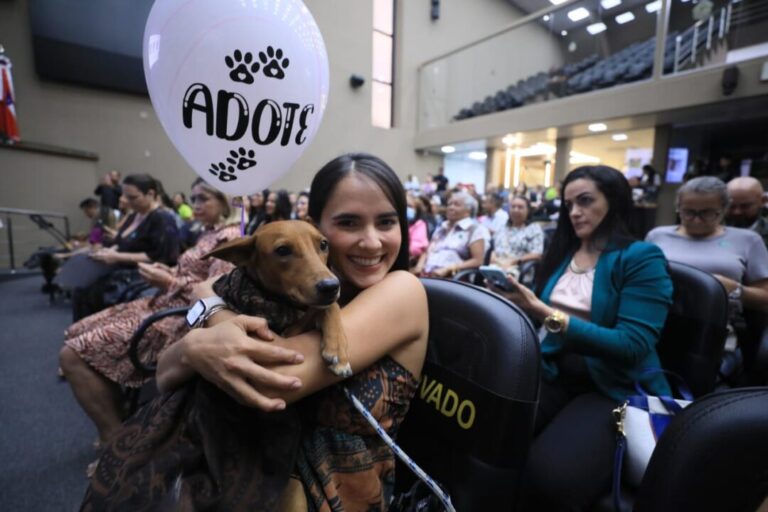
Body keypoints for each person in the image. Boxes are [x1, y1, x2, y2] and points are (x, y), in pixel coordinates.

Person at [83, 153, 429, 511]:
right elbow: (166, 375)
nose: (371, 241)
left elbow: (268, 380)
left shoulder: (402, 291)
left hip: (325, 495)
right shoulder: (287, 293)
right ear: (314, 227)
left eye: (387, 222)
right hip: (238, 466)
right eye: (349, 223)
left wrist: (210, 315)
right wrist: (195, 341)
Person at [489, 165, 674, 510]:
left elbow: (632, 346)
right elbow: (544, 307)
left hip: (612, 386)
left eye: (586, 201)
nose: (575, 212)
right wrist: (517, 299)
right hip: (555, 369)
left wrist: (543, 312)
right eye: (569, 204)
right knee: (491, 437)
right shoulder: (565, 251)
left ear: (615, 202)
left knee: (549, 478)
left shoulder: (641, 257)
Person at [60, 178, 240, 451]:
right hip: (162, 304)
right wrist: (168, 273)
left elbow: (216, 296)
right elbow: (193, 276)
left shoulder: (229, 238)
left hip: (179, 320)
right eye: (194, 199)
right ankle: (122, 420)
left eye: (203, 199)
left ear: (224, 201)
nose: (195, 206)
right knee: (74, 331)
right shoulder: (210, 232)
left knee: (71, 355)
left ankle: (114, 439)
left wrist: (168, 281)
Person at [646, 177, 768, 359]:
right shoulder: (658, 236)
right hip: (657, 326)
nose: (696, 220)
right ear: (678, 207)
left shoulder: (748, 240)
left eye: (707, 213)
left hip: (716, 335)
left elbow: (765, 298)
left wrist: (734, 289)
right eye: (688, 212)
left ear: (724, 210)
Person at [71, 174, 180, 321]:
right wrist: (110, 251)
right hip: (121, 268)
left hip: (140, 273)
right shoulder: (134, 215)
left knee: (90, 290)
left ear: (150, 194)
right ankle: (85, 335)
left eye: (133, 197)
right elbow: (122, 242)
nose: (127, 201)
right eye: (125, 196)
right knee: (81, 286)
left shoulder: (162, 218)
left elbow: (159, 257)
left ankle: (95, 336)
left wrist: (116, 256)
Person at [413, 191, 489, 278]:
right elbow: (428, 251)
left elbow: (478, 260)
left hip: (451, 279)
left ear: (468, 210)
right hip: (428, 275)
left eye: (456, 205)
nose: (451, 207)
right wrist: (419, 266)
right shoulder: (441, 227)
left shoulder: (474, 229)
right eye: (449, 204)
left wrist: (450, 268)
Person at [490, 195, 544, 277]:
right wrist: (493, 256)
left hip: (519, 269)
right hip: (497, 265)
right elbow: (493, 247)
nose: (516, 210)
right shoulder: (503, 227)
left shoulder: (534, 228)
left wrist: (515, 261)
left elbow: (537, 254)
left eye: (520, 207)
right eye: (513, 207)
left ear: (528, 211)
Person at [726, 176, 768, 248]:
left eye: (745, 206)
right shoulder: (709, 231)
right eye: (731, 206)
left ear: (763, 201)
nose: (737, 212)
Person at [406, 192, 429, 270]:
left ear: (416, 210)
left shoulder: (419, 224)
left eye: (409, 206)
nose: (405, 208)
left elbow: (414, 249)